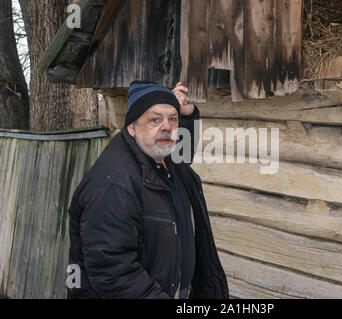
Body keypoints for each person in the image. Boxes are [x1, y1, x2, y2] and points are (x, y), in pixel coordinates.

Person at [67, 81, 229, 299]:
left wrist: (187, 116)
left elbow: (181, 152)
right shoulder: (114, 183)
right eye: (155, 119)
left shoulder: (162, 158)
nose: (167, 127)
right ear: (132, 127)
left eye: (173, 119)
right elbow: (114, 272)